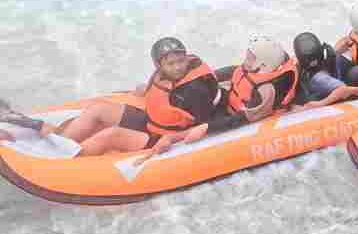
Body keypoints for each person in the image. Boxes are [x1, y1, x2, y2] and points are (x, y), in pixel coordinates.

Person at [59, 37, 229, 156]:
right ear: (158, 65)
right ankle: (59, 145)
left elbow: (206, 125)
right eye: (171, 64)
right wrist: (146, 90)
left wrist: (172, 138)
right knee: (98, 110)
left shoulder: (194, 90)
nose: (178, 67)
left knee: (110, 135)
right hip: (152, 122)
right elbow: (164, 92)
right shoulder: (165, 76)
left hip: (165, 137)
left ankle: (65, 162)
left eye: (181, 61)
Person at [149, 36, 297, 151]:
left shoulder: (266, 92)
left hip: (229, 116)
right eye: (171, 64)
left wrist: (203, 129)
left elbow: (244, 117)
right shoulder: (254, 69)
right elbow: (235, 71)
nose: (177, 68)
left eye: (250, 58)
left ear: (263, 64)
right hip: (226, 103)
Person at [291, 31, 343, 104]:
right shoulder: (320, 78)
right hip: (327, 82)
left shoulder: (318, 77)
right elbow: (343, 88)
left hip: (321, 85)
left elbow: (343, 88)